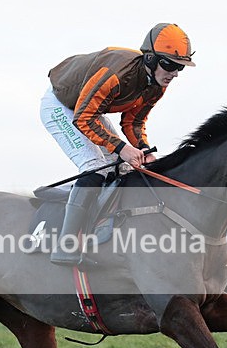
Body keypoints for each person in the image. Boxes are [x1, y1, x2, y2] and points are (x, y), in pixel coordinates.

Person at [40, 22, 195, 264]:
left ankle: (96, 230)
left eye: (180, 68)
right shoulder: (115, 74)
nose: (174, 73)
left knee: (123, 167)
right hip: (61, 105)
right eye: (171, 65)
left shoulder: (157, 85)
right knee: (95, 166)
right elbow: (83, 118)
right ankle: (66, 244)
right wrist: (123, 148)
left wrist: (144, 149)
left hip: (87, 110)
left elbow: (134, 121)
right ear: (151, 59)